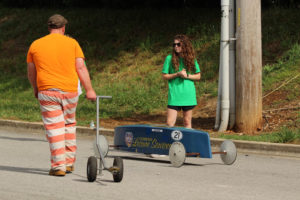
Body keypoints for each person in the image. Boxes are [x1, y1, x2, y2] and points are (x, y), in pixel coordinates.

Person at [27, 14, 96, 176]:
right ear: (64, 28)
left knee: (54, 127)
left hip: (48, 91)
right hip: (70, 92)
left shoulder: (36, 44)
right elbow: (81, 67)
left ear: (49, 27)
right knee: (69, 124)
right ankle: (69, 162)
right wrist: (89, 90)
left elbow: (31, 72)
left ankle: (59, 166)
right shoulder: (72, 43)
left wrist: (35, 88)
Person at [162, 34, 201, 129]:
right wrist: (177, 74)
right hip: (175, 94)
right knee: (169, 123)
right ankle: (169, 143)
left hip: (188, 94)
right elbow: (164, 76)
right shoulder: (169, 58)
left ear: (185, 45)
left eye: (178, 44)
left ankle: (189, 143)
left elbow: (198, 76)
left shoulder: (191, 59)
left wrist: (187, 76)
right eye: (174, 44)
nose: (176, 46)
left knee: (187, 122)